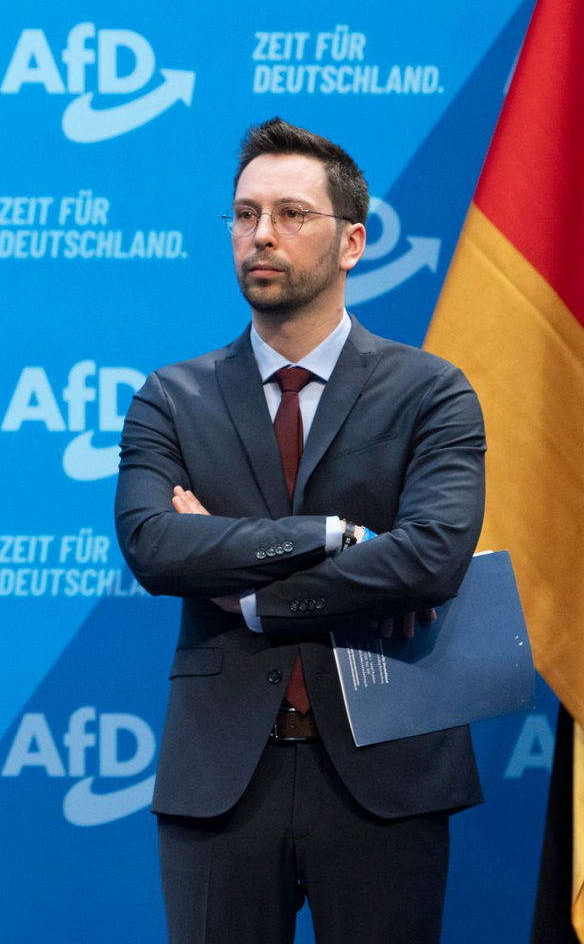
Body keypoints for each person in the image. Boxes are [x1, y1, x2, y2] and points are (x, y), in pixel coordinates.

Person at [114, 117, 485, 943]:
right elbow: (155, 546)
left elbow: (431, 559)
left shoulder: (431, 392)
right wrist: (334, 536)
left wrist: (251, 599)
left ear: (352, 242)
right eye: (245, 214)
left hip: (388, 776)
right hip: (221, 782)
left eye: (291, 214)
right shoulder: (172, 397)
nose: (261, 235)